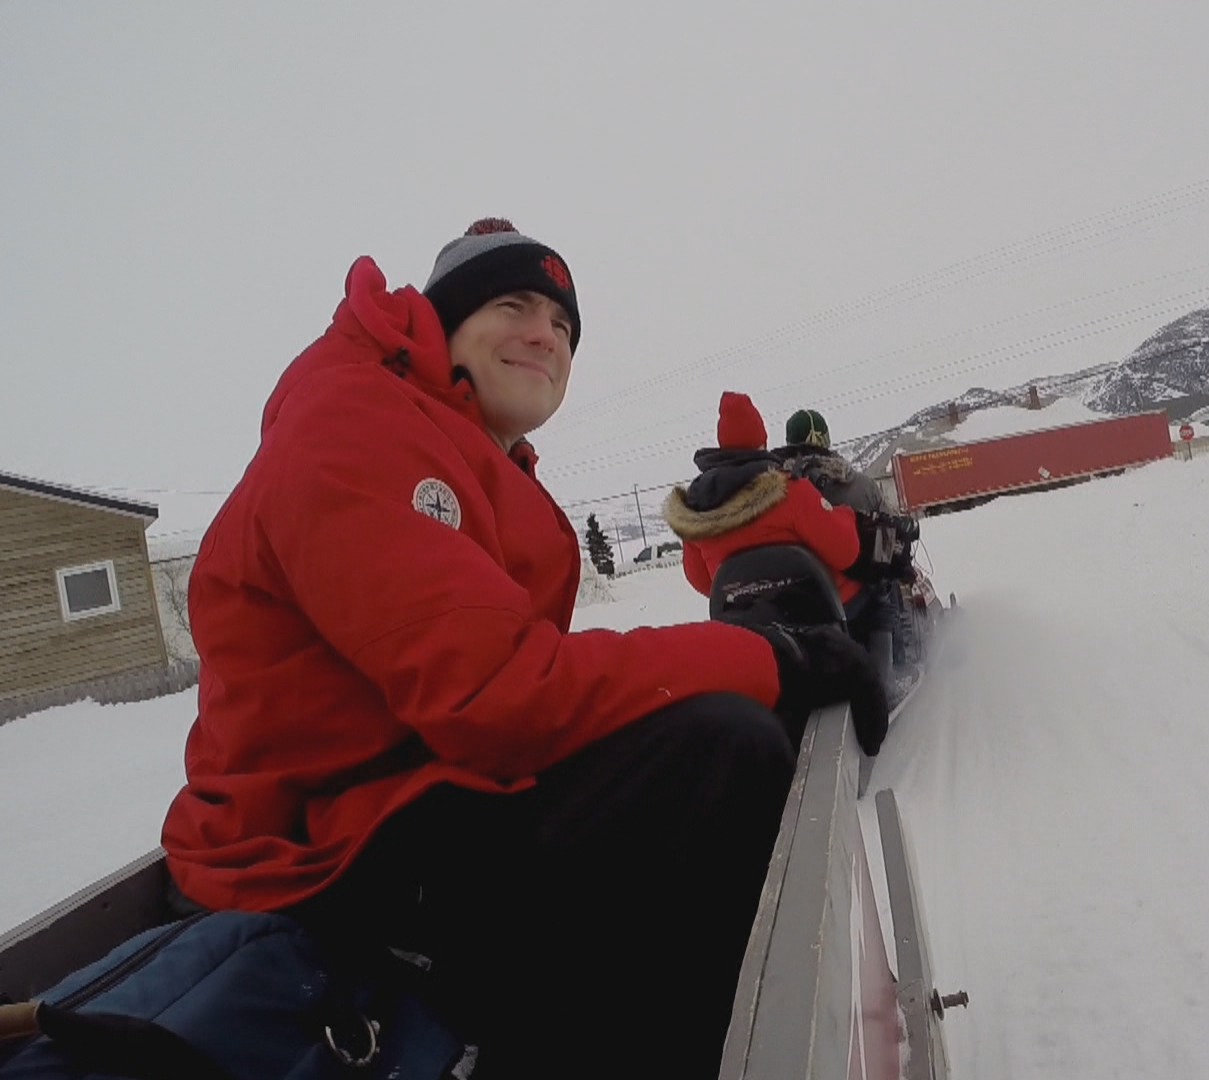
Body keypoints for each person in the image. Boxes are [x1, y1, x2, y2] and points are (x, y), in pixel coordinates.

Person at [159, 218, 881, 1078]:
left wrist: (739, 661)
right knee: (716, 750)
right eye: (514, 304)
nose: (547, 334)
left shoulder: (461, 447)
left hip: (405, 798)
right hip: (311, 856)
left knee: (702, 732)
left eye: (564, 324)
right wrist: (770, 658)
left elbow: (516, 671)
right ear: (442, 324)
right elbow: (500, 692)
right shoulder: (355, 426)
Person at [666, 393, 866, 611]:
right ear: (763, 442)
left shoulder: (698, 511)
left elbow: (703, 582)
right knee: (877, 599)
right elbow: (846, 552)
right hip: (812, 624)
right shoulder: (790, 491)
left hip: (747, 627)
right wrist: (846, 514)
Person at [775, 408, 920, 673]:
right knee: (885, 586)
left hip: (791, 602)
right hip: (846, 601)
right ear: (826, 441)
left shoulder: (775, 491)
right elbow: (889, 542)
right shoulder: (858, 486)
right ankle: (898, 667)